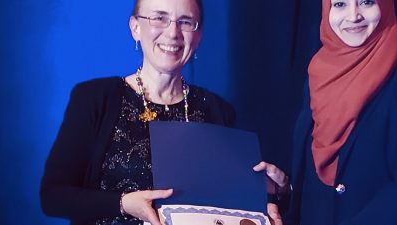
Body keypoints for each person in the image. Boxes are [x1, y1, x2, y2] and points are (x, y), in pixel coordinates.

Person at [40, 0, 283, 224]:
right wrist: (123, 204)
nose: (173, 32)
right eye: (159, 18)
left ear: (198, 36)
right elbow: (53, 197)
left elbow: (232, 200)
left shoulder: (219, 110)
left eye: (185, 22)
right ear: (135, 27)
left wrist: (275, 194)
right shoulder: (95, 98)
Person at [287, 0, 397, 224]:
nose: (353, 16)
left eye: (366, 2)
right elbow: (312, 173)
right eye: (340, 4)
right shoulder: (316, 76)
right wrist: (284, 185)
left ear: (386, 6)